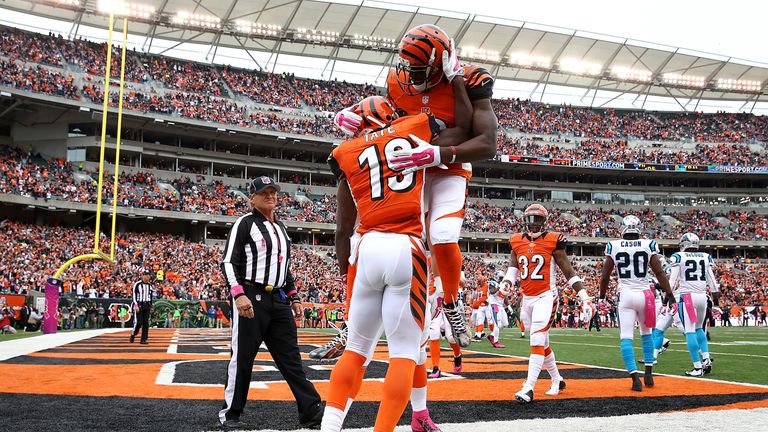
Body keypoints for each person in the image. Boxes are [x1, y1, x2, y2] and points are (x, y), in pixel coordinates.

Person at [324, 23, 498, 356]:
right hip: (409, 169)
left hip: (448, 166)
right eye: (408, 67)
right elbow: (390, 125)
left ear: (442, 64)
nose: (410, 76)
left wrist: (437, 152)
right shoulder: (397, 83)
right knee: (365, 237)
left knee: (443, 233)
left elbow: (482, 140)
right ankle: (350, 323)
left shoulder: (473, 81)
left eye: (419, 70)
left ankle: (450, 302)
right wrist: (359, 113)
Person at [321, 95, 452, 432]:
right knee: (405, 353)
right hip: (405, 246)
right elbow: (452, 124)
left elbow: (341, 229)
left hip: (366, 248)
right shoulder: (414, 127)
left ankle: (329, 428)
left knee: (355, 349)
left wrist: (344, 273)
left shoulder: (345, 151)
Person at [218, 176, 322, 430]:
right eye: (264, 192)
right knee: (243, 358)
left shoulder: (282, 227)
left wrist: (293, 294)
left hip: (278, 298)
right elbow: (229, 262)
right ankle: (231, 413)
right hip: (251, 297)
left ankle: (311, 411)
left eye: (273, 192)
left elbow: (283, 268)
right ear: (252, 198)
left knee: (292, 360)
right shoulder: (244, 223)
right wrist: (238, 293)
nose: (270, 196)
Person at [502, 203, 589, 403]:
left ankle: (528, 388)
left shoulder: (552, 240)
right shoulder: (516, 241)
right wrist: (507, 282)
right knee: (543, 344)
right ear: (524, 220)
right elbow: (513, 269)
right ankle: (557, 379)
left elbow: (568, 271)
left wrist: (583, 295)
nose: (533, 224)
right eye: (530, 220)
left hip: (545, 297)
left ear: (544, 221)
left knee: (537, 341)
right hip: (527, 298)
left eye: (537, 220)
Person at [599, 215, 673, 391]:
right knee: (646, 333)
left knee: (626, 336)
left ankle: (634, 378)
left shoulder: (613, 245)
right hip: (644, 293)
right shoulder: (649, 244)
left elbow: (605, 276)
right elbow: (660, 273)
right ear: (639, 227)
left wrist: (601, 296)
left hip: (625, 294)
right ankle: (648, 373)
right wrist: (669, 293)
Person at [667, 233, 720, 376]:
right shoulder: (705, 256)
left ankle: (697, 367)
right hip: (703, 296)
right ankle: (706, 358)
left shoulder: (678, 256)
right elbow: (713, 283)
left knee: (689, 330)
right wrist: (717, 302)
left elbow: (672, 281)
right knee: (699, 329)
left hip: (687, 296)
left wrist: (668, 299)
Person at [130, 270, 154, 345]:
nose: (147, 276)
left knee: (146, 323)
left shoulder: (150, 285)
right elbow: (134, 296)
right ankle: (133, 334)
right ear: (142, 276)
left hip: (147, 305)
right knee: (139, 322)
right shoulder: (137, 284)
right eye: (145, 275)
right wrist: (136, 305)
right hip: (139, 305)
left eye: (148, 275)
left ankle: (143, 339)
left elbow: (150, 296)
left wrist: (151, 305)